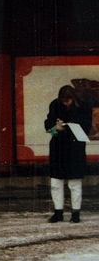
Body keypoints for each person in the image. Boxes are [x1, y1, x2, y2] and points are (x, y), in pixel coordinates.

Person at [45, 85, 91, 223]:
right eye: (64, 101)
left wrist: (70, 126)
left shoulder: (83, 107)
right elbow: (48, 126)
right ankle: (58, 212)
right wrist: (55, 128)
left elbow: (87, 128)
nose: (66, 103)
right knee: (56, 182)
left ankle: (75, 213)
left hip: (74, 148)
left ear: (73, 98)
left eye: (68, 101)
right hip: (58, 148)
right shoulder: (55, 104)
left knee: (74, 182)